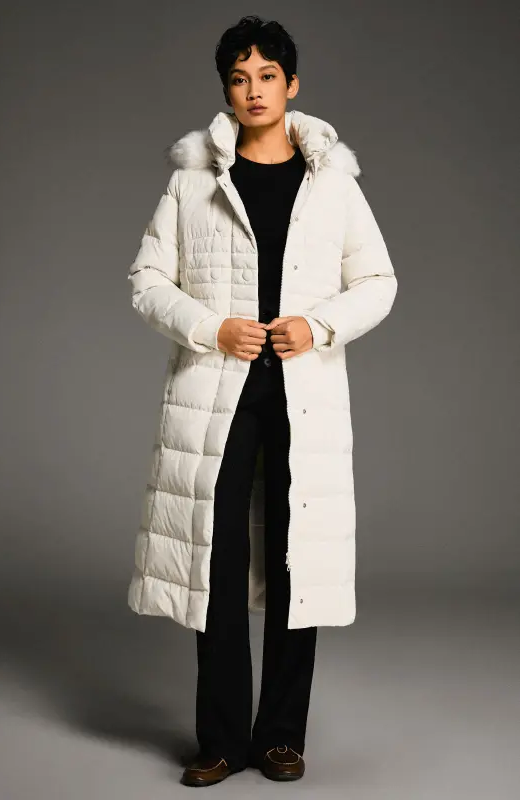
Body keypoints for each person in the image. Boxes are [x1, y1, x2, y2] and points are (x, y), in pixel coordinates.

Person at [126, 14, 398, 788]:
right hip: (215, 397)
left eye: (267, 76)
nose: (253, 90)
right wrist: (212, 327)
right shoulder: (191, 182)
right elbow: (146, 281)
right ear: (226, 90)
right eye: (239, 78)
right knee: (213, 559)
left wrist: (317, 326)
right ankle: (218, 741)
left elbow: (377, 282)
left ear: (291, 84)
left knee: (294, 560)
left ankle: (280, 736)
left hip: (302, 396)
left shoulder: (332, 185)